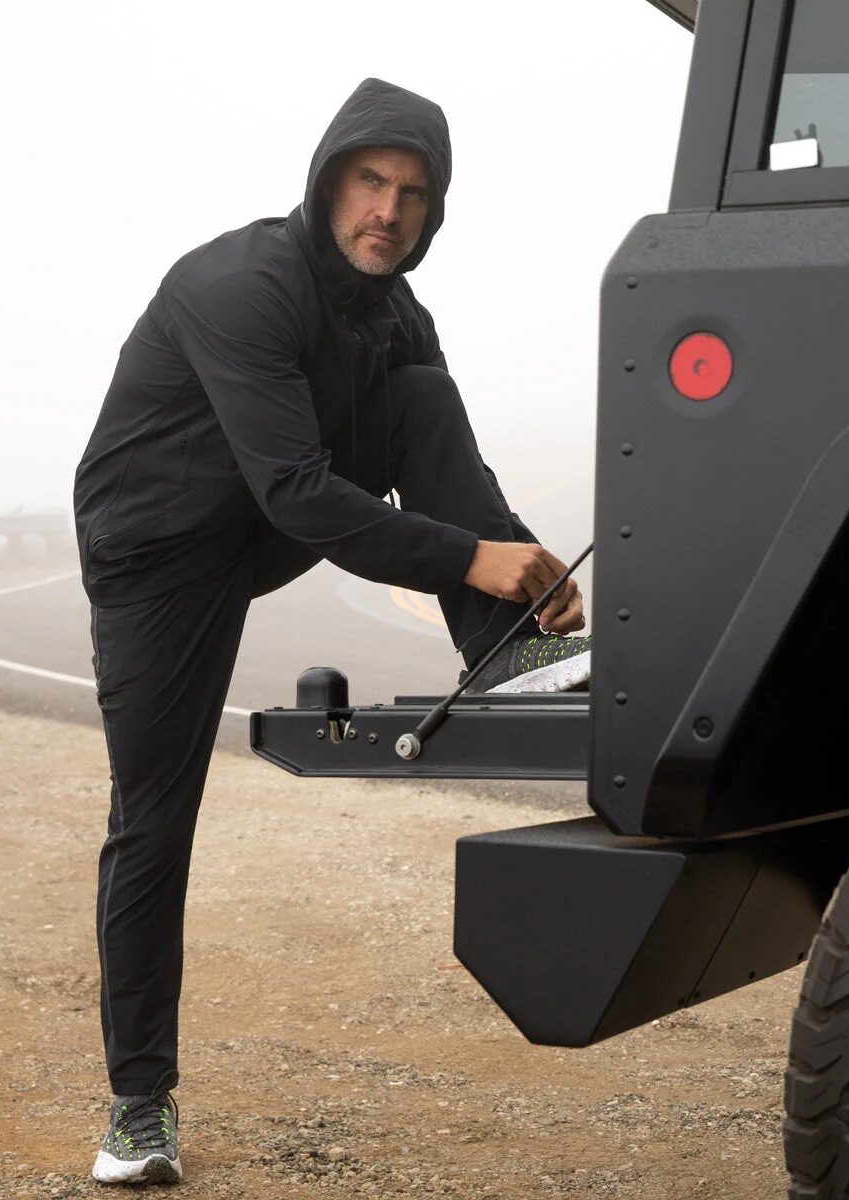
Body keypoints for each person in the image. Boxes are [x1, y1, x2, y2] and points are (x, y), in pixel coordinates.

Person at [74, 77, 589, 1185]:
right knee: (154, 819)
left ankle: (515, 654)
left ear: (433, 210)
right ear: (327, 181)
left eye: (413, 193)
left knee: (423, 400)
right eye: (369, 181)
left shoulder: (396, 310)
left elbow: (449, 465)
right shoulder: (239, 286)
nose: (387, 211)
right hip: (158, 555)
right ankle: (138, 1109)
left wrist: (527, 571)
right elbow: (303, 496)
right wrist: (473, 556)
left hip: (259, 524)